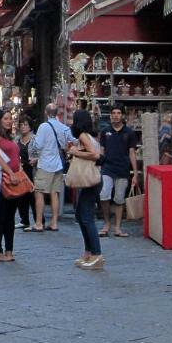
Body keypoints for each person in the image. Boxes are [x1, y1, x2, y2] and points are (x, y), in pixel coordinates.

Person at [69, 108, 104, 270]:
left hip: (91, 180)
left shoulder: (83, 135)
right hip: (92, 180)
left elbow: (95, 154)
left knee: (86, 216)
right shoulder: (89, 136)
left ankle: (96, 253)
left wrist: (76, 152)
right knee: (81, 214)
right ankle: (88, 252)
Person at [30, 103, 74, 232]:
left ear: (46, 112)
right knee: (55, 193)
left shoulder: (44, 127)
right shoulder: (64, 127)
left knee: (39, 193)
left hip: (45, 164)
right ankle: (54, 222)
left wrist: (34, 152)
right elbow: (72, 141)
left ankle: (39, 223)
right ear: (57, 113)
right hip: (58, 164)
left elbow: (37, 146)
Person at [0, 109, 22, 262]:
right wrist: (10, 172)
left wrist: (19, 173)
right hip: (1, 179)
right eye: (6, 118)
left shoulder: (10, 137)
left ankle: (9, 250)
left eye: (11, 119)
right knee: (1, 214)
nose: (9, 121)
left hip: (14, 180)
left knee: (10, 217)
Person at [99, 106, 138, 238]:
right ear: (110, 115)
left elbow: (132, 153)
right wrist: (98, 166)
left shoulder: (129, 133)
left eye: (118, 113)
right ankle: (106, 223)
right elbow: (101, 151)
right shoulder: (105, 132)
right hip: (107, 168)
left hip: (123, 169)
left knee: (119, 199)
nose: (116, 115)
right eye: (113, 113)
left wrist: (135, 173)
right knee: (104, 195)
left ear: (122, 115)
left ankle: (117, 227)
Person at [16, 116, 39, 230]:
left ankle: (39, 220)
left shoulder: (35, 139)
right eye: (21, 125)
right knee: (21, 195)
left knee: (33, 196)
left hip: (33, 170)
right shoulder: (17, 140)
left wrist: (36, 159)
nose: (23, 127)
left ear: (30, 126)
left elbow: (42, 152)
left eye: (25, 124)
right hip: (21, 170)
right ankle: (24, 220)